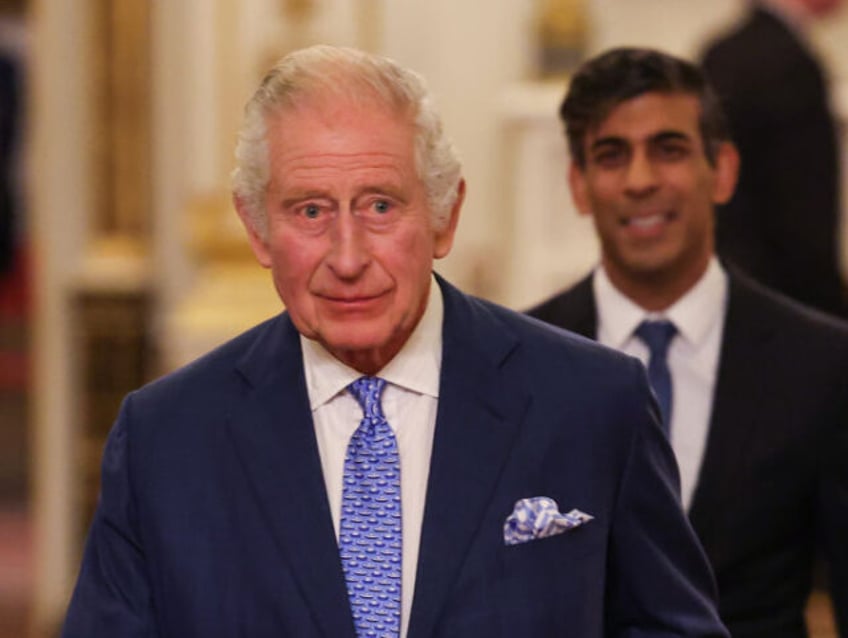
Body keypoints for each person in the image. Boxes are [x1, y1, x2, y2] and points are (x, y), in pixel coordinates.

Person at [61, 45, 728, 637]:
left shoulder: (592, 404)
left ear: (444, 215)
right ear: (259, 230)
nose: (348, 257)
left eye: (380, 205)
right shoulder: (165, 439)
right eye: (311, 210)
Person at [528, 47, 848, 638]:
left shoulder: (824, 364)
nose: (642, 181)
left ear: (722, 170)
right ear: (578, 184)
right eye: (611, 155)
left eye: (668, 149)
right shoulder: (522, 359)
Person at [701, 0, 848, 318]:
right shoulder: (789, 64)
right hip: (787, 301)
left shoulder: (721, 51)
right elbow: (804, 216)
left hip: (732, 288)